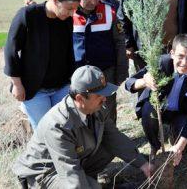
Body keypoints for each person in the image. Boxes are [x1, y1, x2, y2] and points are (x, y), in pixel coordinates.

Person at [13, 65, 153, 188]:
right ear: (80, 98)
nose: (104, 99)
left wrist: (143, 164)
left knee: (110, 147)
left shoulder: (97, 108)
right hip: (44, 174)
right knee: (92, 187)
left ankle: (88, 180)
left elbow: (114, 138)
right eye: (99, 96)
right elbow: (70, 174)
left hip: (70, 163)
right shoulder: (58, 125)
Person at [4, 0, 81, 130]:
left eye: (75, 9)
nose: (73, 13)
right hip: (35, 90)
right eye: (69, 8)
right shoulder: (28, 15)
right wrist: (17, 84)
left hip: (62, 87)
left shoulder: (65, 19)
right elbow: (10, 50)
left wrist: (73, 80)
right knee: (45, 132)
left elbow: (68, 52)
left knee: (65, 129)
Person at [125, 34, 187, 166]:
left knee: (186, 136)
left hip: (181, 112)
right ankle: (154, 146)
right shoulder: (160, 63)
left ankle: (174, 140)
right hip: (158, 109)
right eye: (180, 56)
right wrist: (144, 81)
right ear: (172, 53)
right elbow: (129, 83)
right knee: (148, 111)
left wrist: (179, 147)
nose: (185, 62)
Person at [72, 0, 128, 124]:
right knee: (80, 116)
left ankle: (109, 146)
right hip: (77, 76)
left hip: (106, 74)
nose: (93, 1)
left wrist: (121, 71)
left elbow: (119, 42)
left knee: (107, 115)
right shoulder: (69, 13)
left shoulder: (109, 11)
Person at [119, 0, 186, 71]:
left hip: (173, 48)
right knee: (148, 84)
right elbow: (123, 16)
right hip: (145, 50)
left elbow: (185, 14)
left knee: (172, 83)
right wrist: (128, 44)